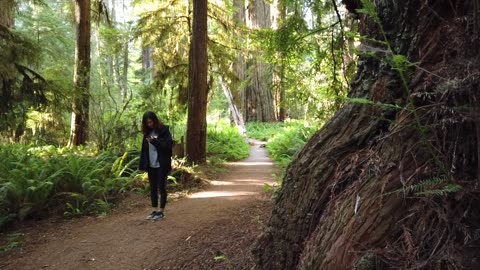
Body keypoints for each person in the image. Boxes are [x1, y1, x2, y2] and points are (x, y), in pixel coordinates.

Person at [139, 111, 173, 221]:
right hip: (151, 165)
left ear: (154, 120)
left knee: (161, 188)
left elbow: (168, 147)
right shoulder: (147, 133)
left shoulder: (164, 130)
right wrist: (143, 164)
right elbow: (144, 150)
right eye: (147, 123)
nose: (150, 124)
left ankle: (161, 211)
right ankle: (154, 210)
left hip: (161, 164)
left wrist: (155, 142)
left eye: (151, 121)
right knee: (153, 188)